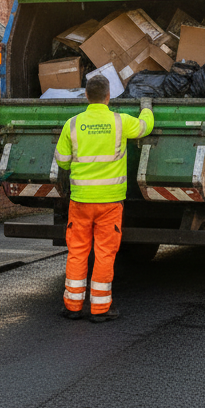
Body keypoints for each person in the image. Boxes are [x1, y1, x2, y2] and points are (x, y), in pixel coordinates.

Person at [54, 76, 154, 323]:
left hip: (80, 200)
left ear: (86, 96)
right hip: (110, 202)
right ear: (109, 97)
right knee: (104, 253)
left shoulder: (73, 124)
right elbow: (144, 128)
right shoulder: (120, 122)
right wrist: (147, 108)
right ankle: (100, 309)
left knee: (77, 252)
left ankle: (73, 306)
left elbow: (61, 160)